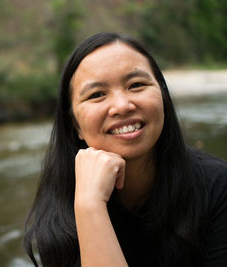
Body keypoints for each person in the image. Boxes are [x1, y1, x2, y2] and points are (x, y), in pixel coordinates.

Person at [24, 32, 227, 267]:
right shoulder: (61, 207)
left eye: (136, 85)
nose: (122, 106)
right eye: (97, 94)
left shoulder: (217, 188)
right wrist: (90, 206)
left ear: (163, 96)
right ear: (75, 125)